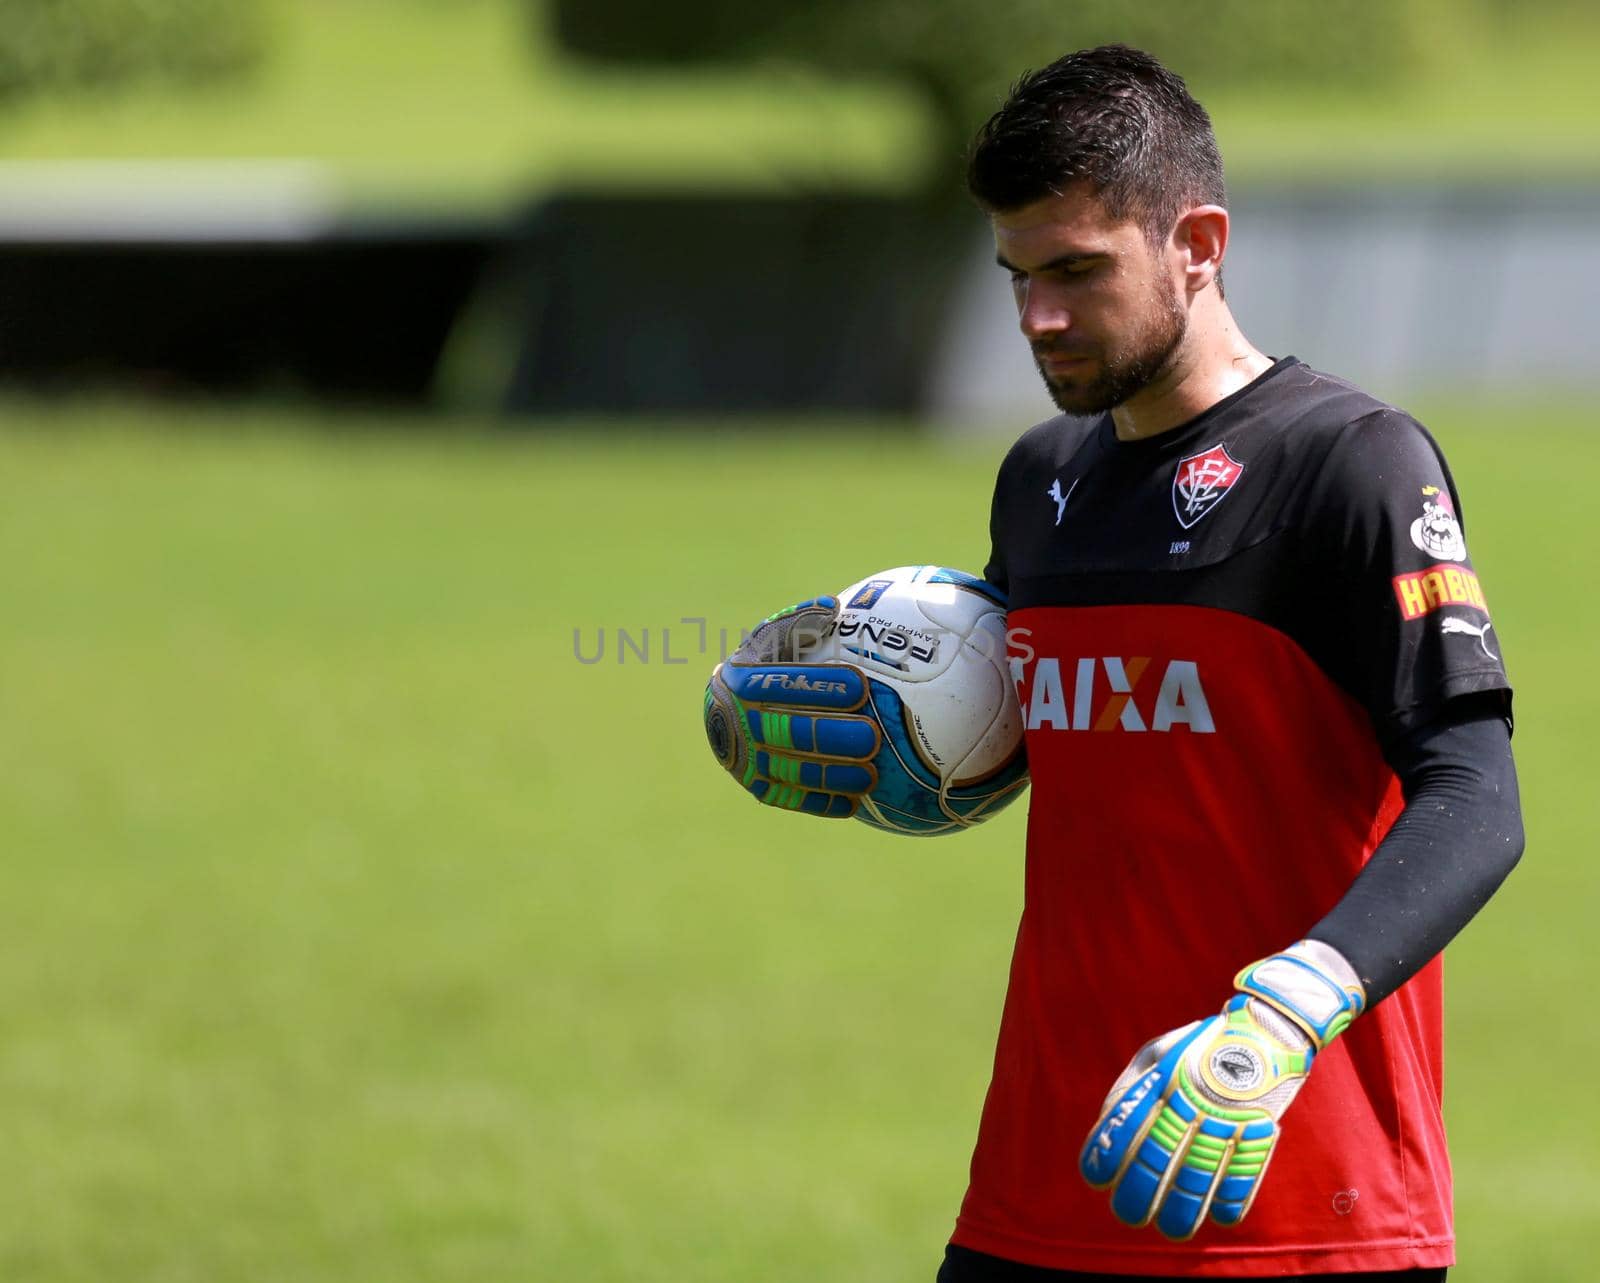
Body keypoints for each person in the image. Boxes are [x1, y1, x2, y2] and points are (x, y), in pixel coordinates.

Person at [703, 44, 1522, 1283]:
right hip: (1041, 1183)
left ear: (1197, 240)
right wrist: (901, 740)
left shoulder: (1347, 463)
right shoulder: (1043, 481)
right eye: (1017, 276)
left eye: (1077, 271)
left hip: (1290, 1183)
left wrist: (1283, 1013)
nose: (1038, 316)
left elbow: (1475, 794)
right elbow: (1059, 744)